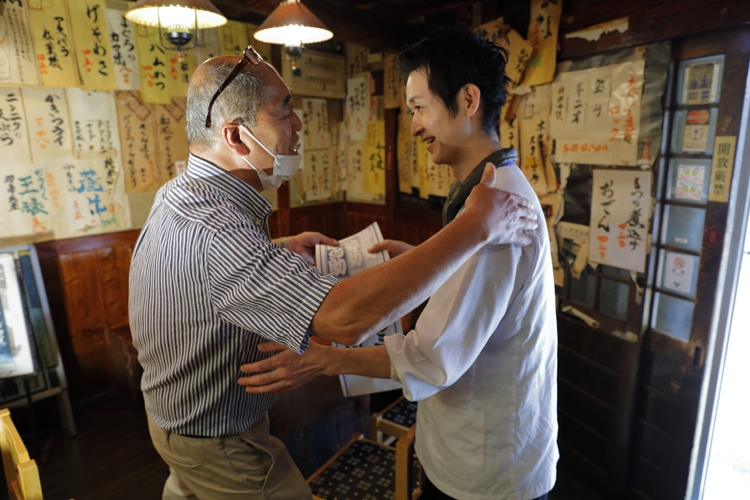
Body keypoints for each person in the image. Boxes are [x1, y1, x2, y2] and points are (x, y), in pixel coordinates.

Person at [128, 42, 539, 500]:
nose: (299, 123)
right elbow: (344, 319)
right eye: (284, 111)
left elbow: (197, 265)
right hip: (216, 440)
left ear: (468, 101)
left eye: (419, 106)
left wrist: (277, 249)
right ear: (237, 138)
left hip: (174, 422)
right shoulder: (489, 212)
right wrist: (476, 227)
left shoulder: (181, 194)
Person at [238, 25, 559, 500]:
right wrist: (423, 265)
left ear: (468, 101)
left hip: (488, 465)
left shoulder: (495, 207)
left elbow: (431, 359)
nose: (413, 127)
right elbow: (480, 303)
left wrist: (326, 360)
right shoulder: (489, 193)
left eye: (419, 108)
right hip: (474, 444)